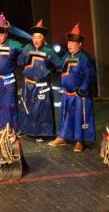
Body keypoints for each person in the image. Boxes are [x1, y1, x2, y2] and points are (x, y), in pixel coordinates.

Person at [48, 24, 96, 152]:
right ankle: (63, 137)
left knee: (80, 117)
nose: (69, 45)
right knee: (66, 116)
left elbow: (89, 77)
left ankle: (80, 141)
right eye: (68, 42)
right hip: (67, 94)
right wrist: (49, 60)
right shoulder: (67, 56)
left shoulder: (85, 59)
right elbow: (60, 67)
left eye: (72, 43)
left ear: (79, 44)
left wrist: (81, 91)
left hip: (79, 95)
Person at [17, 20, 61, 142]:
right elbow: (19, 62)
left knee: (41, 110)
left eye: (39, 37)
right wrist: (23, 56)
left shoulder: (48, 51)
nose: (36, 40)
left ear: (43, 38)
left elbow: (59, 65)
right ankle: (26, 130)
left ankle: (41, 133)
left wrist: (49, 70)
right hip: (28, 84)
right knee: (26, 108)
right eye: (34, 37)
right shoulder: (27, 48)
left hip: (42, 86)